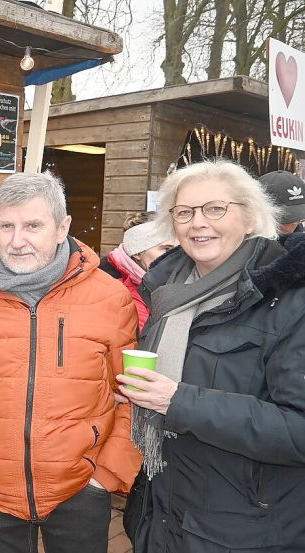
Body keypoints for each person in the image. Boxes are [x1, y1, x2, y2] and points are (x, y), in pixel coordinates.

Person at [0, 172, 141, 553]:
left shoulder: (110, 297)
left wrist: (105, 474)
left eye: (32, 225)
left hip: (80, 489)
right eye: (7, 226)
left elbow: (135, 395)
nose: (16, 241)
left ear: (62, 227)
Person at [119, 160, 305, 552]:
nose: (197, 223)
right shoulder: (168, 293)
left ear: (252, 217)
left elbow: (298, 431)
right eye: (184, 212)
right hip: (163, 513)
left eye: (215, 209)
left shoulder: (291, 299)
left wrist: (177, 400)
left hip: (244, 530)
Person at [100, 212, 178, 330]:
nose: (175, 256)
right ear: (137, 252)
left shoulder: (166, 281)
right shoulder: (115, 289)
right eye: (166, 249)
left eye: (178, 249)